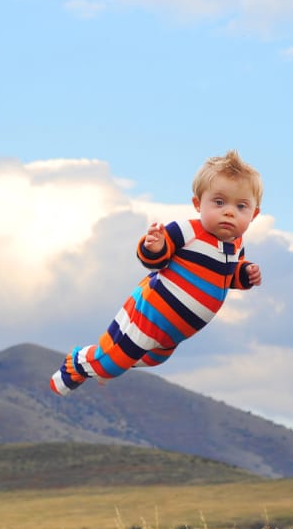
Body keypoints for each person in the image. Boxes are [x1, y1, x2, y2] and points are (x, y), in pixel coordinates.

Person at [49, 150, 263, 395]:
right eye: (219, 202)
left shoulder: (236, 245)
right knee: (114, 361)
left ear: (254, 214)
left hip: (175, 332)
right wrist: (155, 246)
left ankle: (102, 364)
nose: (229, 212)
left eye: (241, 206)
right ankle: (76, 364)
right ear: (198, 204)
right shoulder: (188, 231)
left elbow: (228, 277)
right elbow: (153, 260)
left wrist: (246, 274)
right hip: (151, 313)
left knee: (155, 359)